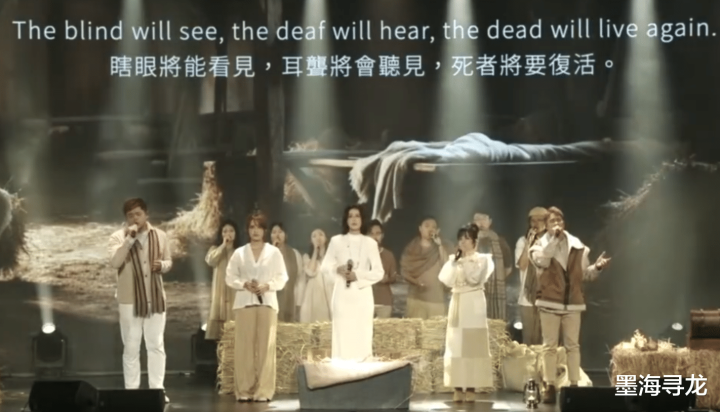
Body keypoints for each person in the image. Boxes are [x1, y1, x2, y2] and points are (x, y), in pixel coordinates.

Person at [529, 207, 611, 404]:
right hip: (549, 301)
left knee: (572, 346)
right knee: (549, 346)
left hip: (572, 304)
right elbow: (544, 261)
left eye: (559, 220)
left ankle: (574, 386)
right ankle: (549, 385)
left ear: (564, 223)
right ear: (546, 226)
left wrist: (597, 267)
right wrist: (553, 239)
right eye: (552, 221)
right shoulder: (538, 246)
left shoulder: (578, 246)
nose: (556, 224)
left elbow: (584, 275)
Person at [108, 198, 172, 402]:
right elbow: (115, 262)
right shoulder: (118, 237)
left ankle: (157, 391)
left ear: (146, 214)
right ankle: (132, 392)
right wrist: (129, 240)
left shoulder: (160, 235)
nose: (134, 218)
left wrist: (162, 265)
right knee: (131, 347)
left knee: (156, 345)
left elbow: (168, 261)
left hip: (155, 298)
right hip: (130, 300)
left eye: (138, 214)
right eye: (130, 215)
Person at [225, 212, 288, 402]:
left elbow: (282, 277)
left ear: (264, 230)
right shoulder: (239, 253)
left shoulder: (273, 252)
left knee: (265, 349)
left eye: (259, 227)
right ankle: (244, 390)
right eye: (252, 227)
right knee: (244, 348)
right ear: (247, 230)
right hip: (244, 303)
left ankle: (264, 391)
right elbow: (230, 277)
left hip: (267, 303)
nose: (255, 231)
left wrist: (267, 286)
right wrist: (243, 284)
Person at [439, 223, 495, 403]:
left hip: (474, 301)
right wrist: (456, 262)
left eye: (467, 238)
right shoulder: (454, 260)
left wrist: (465, 262)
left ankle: (471, 386)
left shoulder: (483, 260)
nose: (462, 242)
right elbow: (446, 279)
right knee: (456, 344)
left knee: (473, 345)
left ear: (475, 241)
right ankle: (457, 386)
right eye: (460, 238)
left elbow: (474, 279)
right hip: (458, 301)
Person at [320, 205, 384, 361]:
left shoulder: (370, 243)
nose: (354, 219)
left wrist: (358, 275)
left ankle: (362, 368)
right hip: (342, 295)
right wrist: (337, 269)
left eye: (357, 216)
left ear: (362, 219)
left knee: (362, 333)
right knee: (342, 332)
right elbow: (325, 267)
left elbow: (379, 272)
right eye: (350, 216)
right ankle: (341, 369)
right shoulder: (336, 241)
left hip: (362, 296)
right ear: (346, 220)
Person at [401, 216, 452, 319]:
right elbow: (404, 271)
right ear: (420, 228)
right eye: (427, 226)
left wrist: (440, 246)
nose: (430, 229)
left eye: (434, 227)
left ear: (437, 230)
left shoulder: (443, 247)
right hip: (416, 299)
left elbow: (447, 266)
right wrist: (416, 282)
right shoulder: (412, 248)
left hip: (436, 300)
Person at [514, 207, 548, 345]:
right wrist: (529, 243)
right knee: (529, 339)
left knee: (545, 340)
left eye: (540, 220)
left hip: (548, 297)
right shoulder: (522, 241)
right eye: (533, 220)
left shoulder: (552, 242)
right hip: (527, 298)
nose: (536, 223)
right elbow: (522, 265)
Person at [204, 219, 241, 340]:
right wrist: (223, 245)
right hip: (219, 293)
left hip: (234, 293)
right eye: (225, 231)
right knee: (217, 336)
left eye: (231, 231)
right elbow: (210, 260)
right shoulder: (215, 249)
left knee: (233, 334)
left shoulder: (239, 252)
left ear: (236, 234)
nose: (228, 234)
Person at [473, 212, 513, 320]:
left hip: (495, 290)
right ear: (473, 222)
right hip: (473, 288)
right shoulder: (467, 240)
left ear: (490, 222)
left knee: (494, 322)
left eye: (484, 219)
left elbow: (508, 267)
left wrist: (496, 280)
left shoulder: (500, 241)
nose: (481, 223)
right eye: (478, 219)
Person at [270, 222, 304, 322]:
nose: (277, 235)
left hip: (290, 298)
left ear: (285, 235)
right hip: (271, 299)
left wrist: (298, 303)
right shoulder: (266, 254)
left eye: (280, 232)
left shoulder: (294, 253)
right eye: (274, 232)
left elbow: (299, 280)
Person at [299, 228, 333, 323]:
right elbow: (310, 272)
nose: (318, 237)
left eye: (321, 234)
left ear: (326, 238)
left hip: (328, 294)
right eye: (314, 236)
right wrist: (315, 251)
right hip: (312, 296)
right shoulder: (307, 257)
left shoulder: (332, 257)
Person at [367, 220, 398, 318]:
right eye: (371, 234)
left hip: (384, 302)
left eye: (378, 233)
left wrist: (387, 279)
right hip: (365, 301)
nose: (375, 237)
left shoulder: (389, 255)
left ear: (382, 235)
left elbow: (394, 277)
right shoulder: (361, 256)